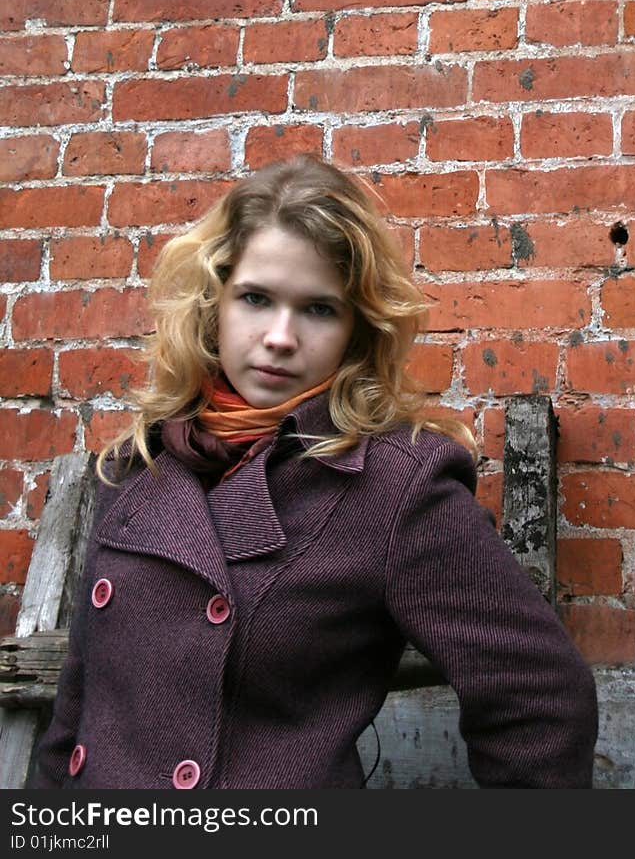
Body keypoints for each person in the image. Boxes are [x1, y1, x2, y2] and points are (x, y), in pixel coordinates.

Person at [36, 155, 598, 790]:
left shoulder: (391, 485)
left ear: (356, 330)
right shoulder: (137, 469)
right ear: (213, 303)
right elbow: (74, 720)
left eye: (319, 310)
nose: (280, 336)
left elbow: (541, 700)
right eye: (255, 298)